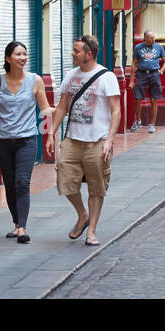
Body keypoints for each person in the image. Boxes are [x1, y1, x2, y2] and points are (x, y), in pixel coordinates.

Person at [46, 34, 122, 246]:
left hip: (97, 141)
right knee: (65, 181)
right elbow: (62, 107)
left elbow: (116, 111)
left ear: (89, 54)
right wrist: (52, 132)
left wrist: (109, 140)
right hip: (72, 140)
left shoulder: (107, 77)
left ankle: (92, 231)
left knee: (96, 188)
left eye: (76, 50)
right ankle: (82, 214)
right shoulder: (71, 75)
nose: (73, 53)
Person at [0, 41, 54, 243]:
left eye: (24, 54)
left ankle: (22, 228)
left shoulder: (35, 80)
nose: (22, 57)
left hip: (27, 140)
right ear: (8, 58)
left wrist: (49, 134)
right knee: (10, 184)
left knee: (22, 182)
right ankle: (16, 224)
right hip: (3, 141)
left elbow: (45, 110)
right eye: (18, 54)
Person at [130, 30, 165, 133]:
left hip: (154, 74)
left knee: (154, 99)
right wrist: (131, 80)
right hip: (141, 74)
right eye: (151, 38)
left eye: (154, 37)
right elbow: (134, 63)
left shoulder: (158, 47)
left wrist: (160, 72)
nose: (153, 40)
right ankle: (138, 120)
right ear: (145, 38)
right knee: (137, 98)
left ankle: (152, 124)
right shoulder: (138, 48)